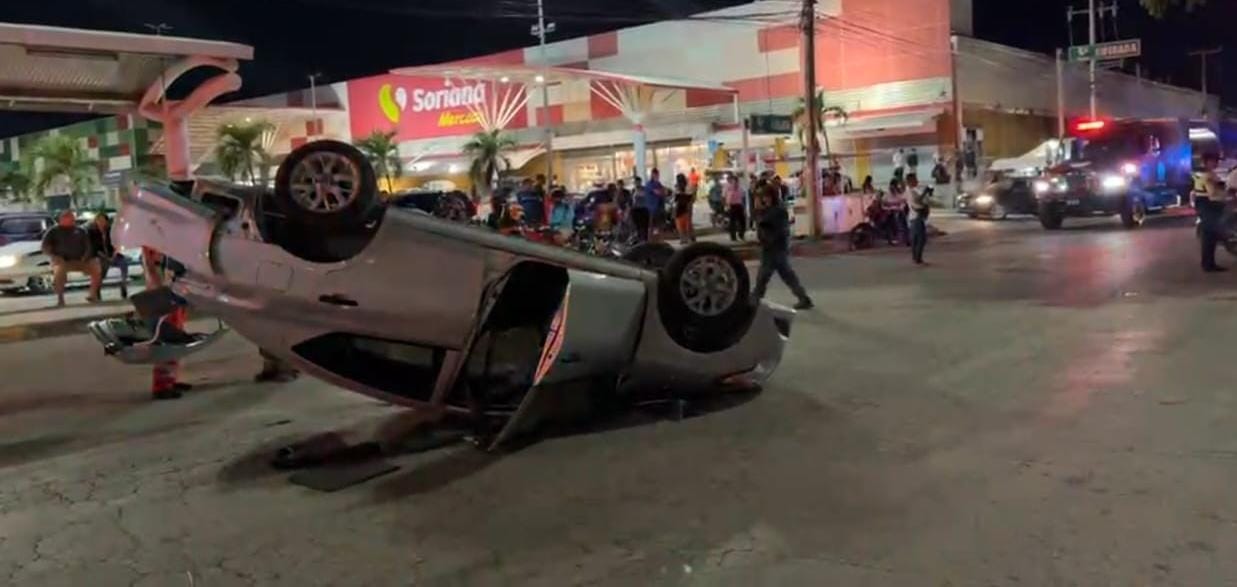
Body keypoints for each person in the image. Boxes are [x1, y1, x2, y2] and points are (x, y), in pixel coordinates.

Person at [142, 246, 192, 400]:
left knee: (174, 334)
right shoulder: (154, 236)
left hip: (171, 288)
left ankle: (170, 379)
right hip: (163, 291)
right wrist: (160, 289)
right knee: (165, 337)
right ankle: (162, 385)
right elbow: (152, 266)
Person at [753, 185, 813, 310]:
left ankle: (755, 299)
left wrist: (758, 211)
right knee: (784, 275)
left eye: (766, 197)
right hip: (773, 246)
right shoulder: (774, 209)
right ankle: (803, 298)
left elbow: (764, 224)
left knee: (765, 276)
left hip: (774, 247)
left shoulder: (776, 211)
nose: (764, 199)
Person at [42, 209, 102, 307]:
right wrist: (54, 256)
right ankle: (60, 299)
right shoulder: (53, 231)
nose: (72, 219)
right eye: (68, 217)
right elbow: (45, 247)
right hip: (61, 261)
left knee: (96, 268)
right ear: (62, 219)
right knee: (59, 271)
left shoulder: (81, 231)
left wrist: (86, 256)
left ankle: (92, 295)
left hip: (80, 260)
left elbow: (88, 246)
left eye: (72, 217)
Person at [1198, 152, 1227, 272]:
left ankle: (1209, 263)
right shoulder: (1207, 175)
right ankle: (1208, 264)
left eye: (1216, 161)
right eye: (1213, 161)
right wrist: (1224, 194)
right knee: (1210, 236)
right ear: (1206, 162)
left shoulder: (1208, 174)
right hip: (1208, 205)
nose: (1216, 163)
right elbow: (1212, 193)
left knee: (1210, 236)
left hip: (1206, 204)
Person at [88, 213, 128, 300]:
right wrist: (106, 258)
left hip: (112, 255)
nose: (101, 223)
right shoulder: (92, 233)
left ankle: (123, 284)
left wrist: (113, 255)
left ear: (106, 221)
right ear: (96, 222)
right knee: (101, 267)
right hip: (100, 256)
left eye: (103, 220)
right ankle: (97, 289)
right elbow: (94, 249)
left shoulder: (111, 231)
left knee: (123, 262)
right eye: (99, 220)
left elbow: (117, 245)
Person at [907, 173, 933, 265]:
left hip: (915, 217)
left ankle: (916, 257)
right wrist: (925, 192)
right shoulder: (910, 191)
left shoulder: (913, 190)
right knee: (921, 238)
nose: (917, 181)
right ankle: (917, 258)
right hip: (916, 217)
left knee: (916, 238)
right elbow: (918, 200)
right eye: (915, 179)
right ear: (910, 181)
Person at [644, 168, 668, 240]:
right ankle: (649, 240)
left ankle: (661, 240)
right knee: (651, 226)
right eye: (655, 174)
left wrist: (663, 191)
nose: (657, 176)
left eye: (657, 174)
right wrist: (662, 192)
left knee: (660, 225)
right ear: (652, 175)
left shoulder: (658, 183)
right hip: (652, 208)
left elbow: (665, 191)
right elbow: (658, 192)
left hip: (660, 207)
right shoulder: (649, 184)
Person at [672, 173, 695, 244]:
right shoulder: (684, 187)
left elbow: (675, 200)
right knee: (686, 224)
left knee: (682, 224)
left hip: (682, 208)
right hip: (683, 208)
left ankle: (684, 238)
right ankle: (687, 238)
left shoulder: (685, 187)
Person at [724, 174, 746, 241]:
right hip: (731, 205)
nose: (735, 182)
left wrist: (744, 206)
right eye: (734, 181)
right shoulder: (728, 187)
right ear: (732, 181)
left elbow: (743, 197)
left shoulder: (740, 188)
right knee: (732, 222)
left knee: (742, 221)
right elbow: (724, 196)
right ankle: (733, 236)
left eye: (736, 181)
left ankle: (741, 234)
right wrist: (726, 205)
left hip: (739, 205)